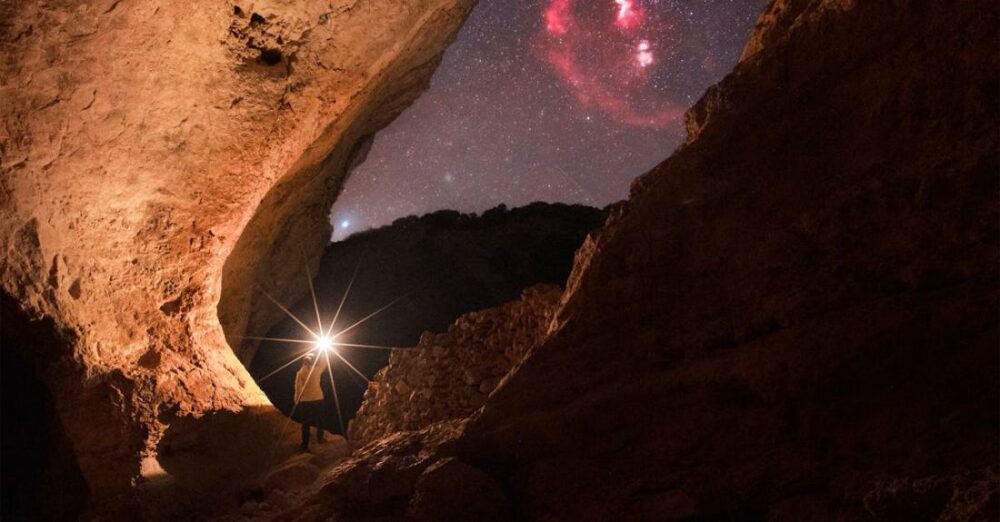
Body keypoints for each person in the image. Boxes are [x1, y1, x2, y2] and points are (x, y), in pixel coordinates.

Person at [293, 352, 327, 451]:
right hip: (318, 398)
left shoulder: (300, 373)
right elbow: (324, 364)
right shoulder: (316, 370)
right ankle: (320, 438)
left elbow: (297, 388)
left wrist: (296, 400)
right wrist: (324, 352)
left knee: (305, 424)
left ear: (303, 362)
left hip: (305, 400)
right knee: (320, 419)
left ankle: (304, 446)